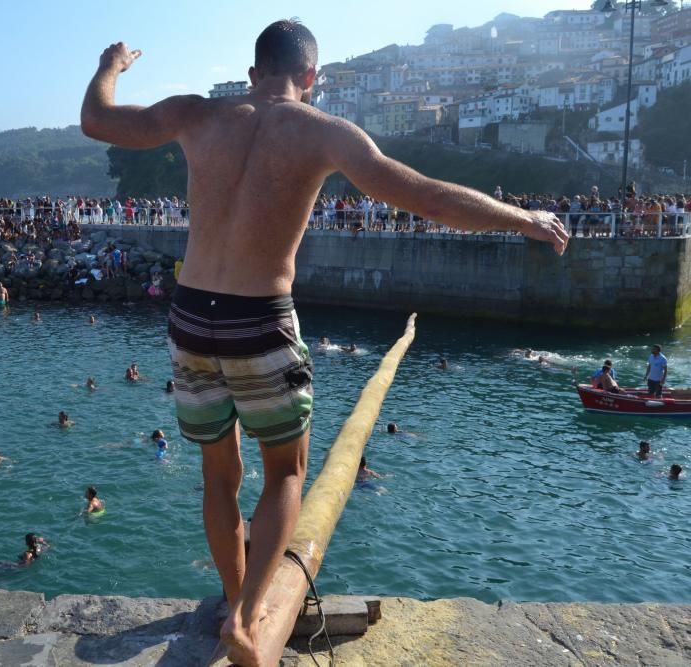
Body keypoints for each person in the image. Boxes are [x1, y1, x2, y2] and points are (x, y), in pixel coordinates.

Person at [81, 22, 567, 664]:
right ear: (312, 78)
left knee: (217, 477)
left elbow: (97, 118)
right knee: (286, 473)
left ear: (252, 73)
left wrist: (112, 63)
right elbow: (424, 196)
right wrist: (522, 219)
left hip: (191, 315)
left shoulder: (197, 113)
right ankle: (250, 617)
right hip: (259, 318)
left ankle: (234, 599)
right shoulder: (324, 132)